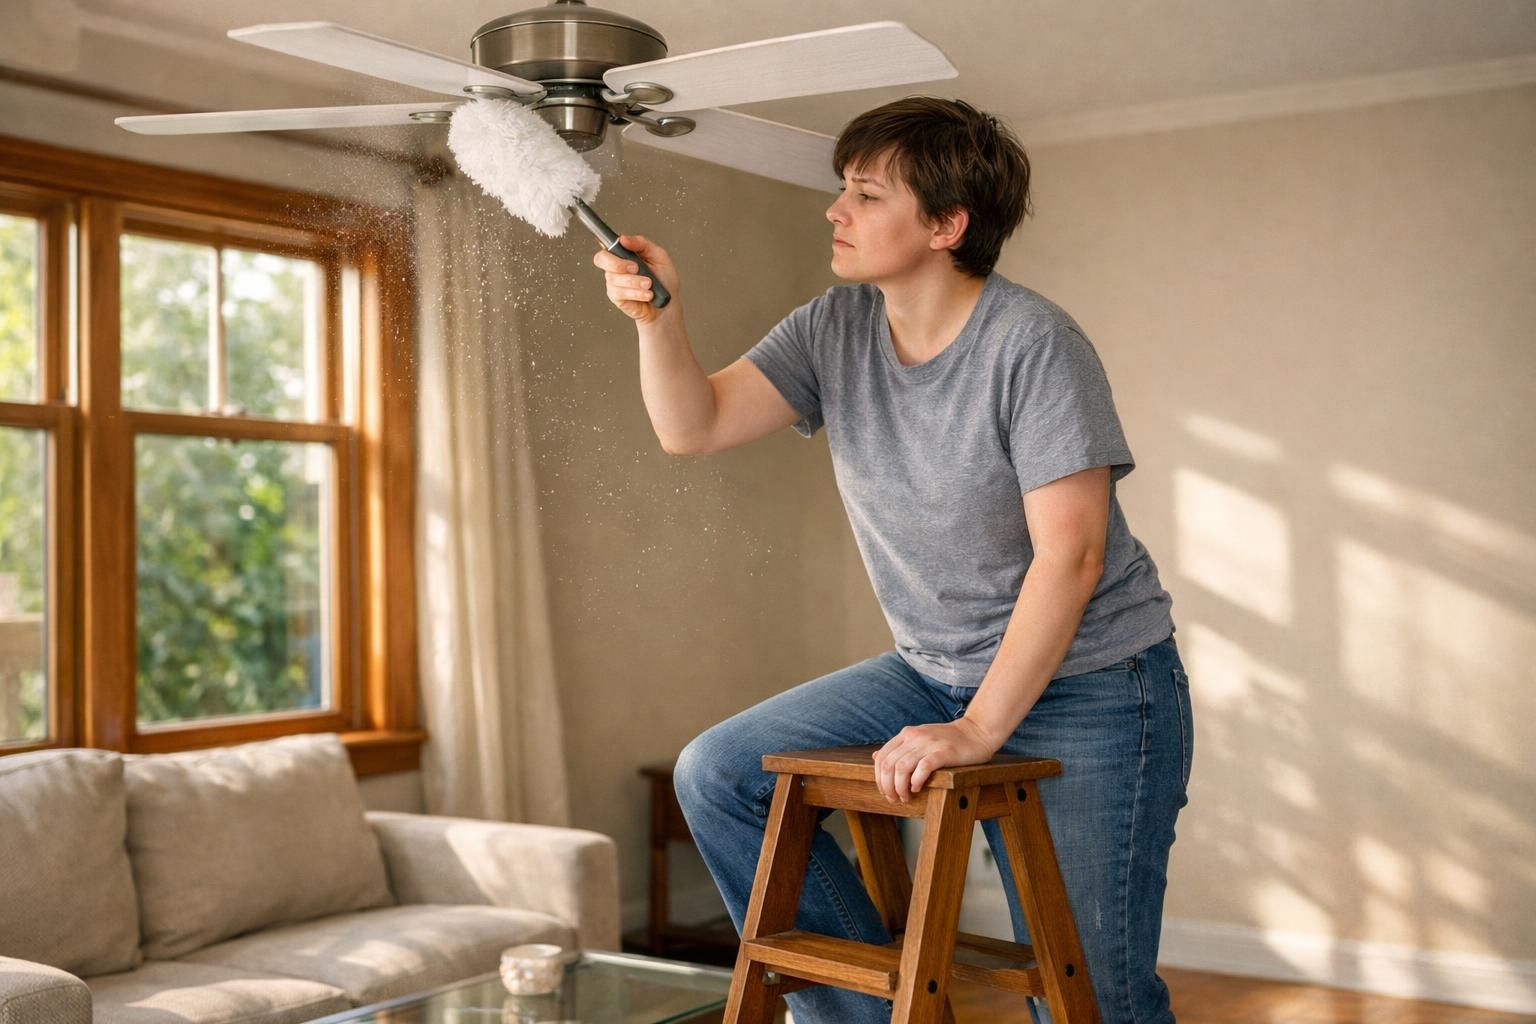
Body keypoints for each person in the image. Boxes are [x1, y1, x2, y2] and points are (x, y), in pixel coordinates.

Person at [591, 96, 1194, 1024]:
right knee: (718, 774)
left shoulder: (1034, 345)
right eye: (843, 190)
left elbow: (1069, 559)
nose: (836, 211)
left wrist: (980, 730)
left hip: (1097, 682)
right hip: (930, 669)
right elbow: (693, 425)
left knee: (1093, 995)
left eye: (866, 196)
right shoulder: (833, 327)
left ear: (947, 225)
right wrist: (655, 319)